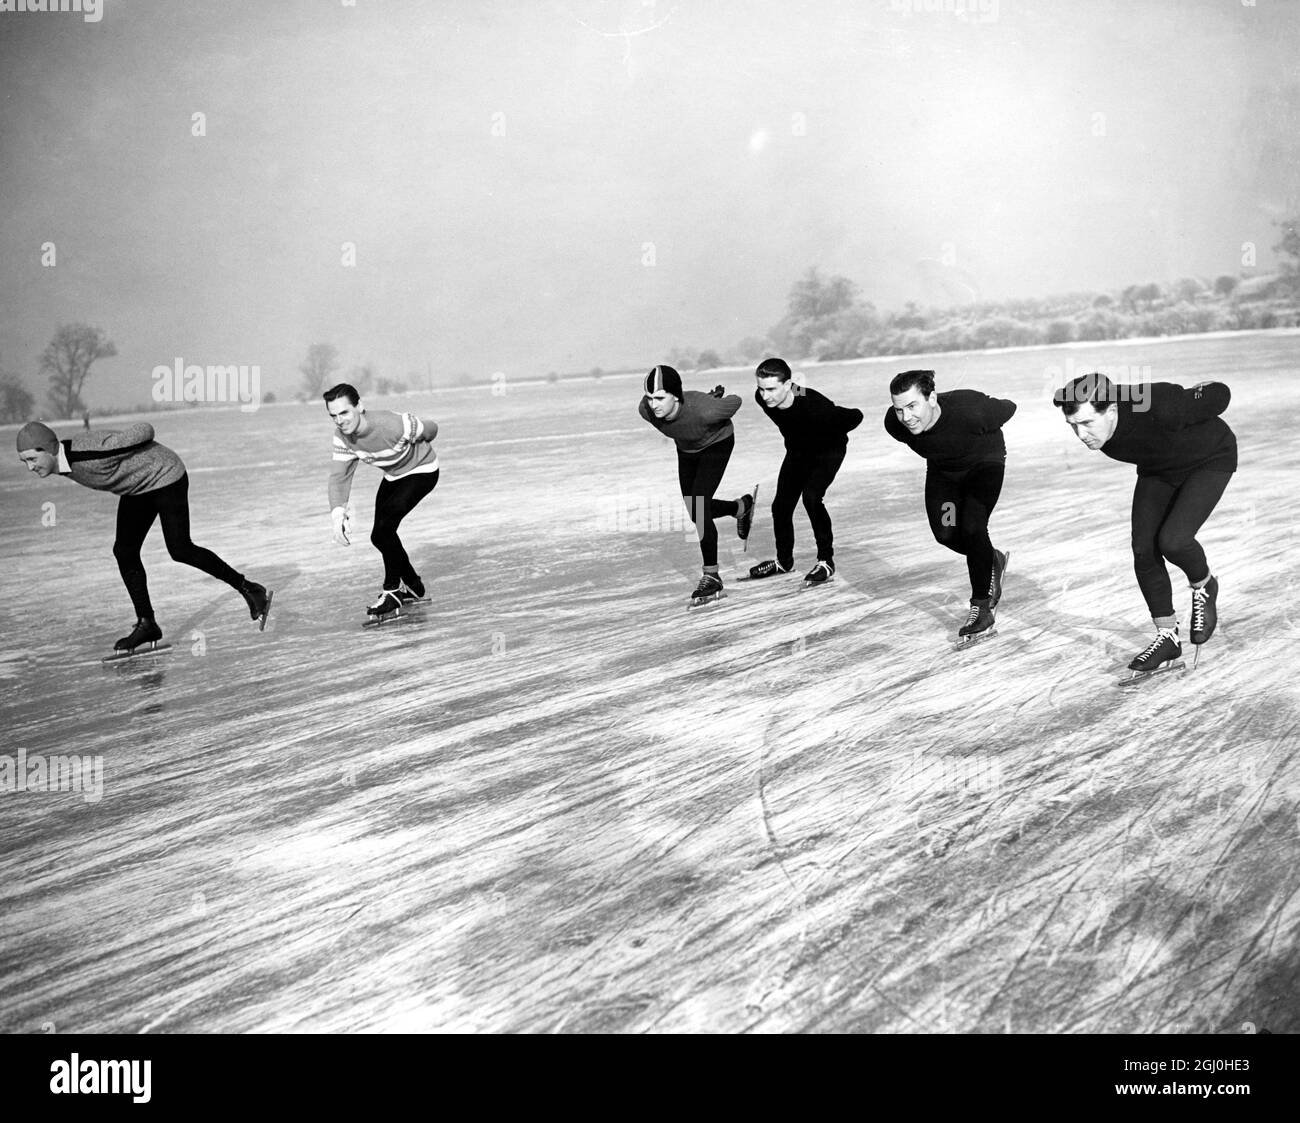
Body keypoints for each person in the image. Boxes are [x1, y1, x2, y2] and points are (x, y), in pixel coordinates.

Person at [15, 420, 271, 652]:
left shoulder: (88, 453)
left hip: (165, 475)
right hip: (137, 487)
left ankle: (250, 589)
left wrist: (124, 446)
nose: (30, 467)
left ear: (48, 449)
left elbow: (145, 429)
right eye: (24, 462)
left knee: (180, 548)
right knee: (124, 551)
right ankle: (147, 623)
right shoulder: (64, 461)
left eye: (31, 459)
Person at [1052, 372, 1235, 674]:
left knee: (1174, 541)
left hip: (1209, 458)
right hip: (1159, 469)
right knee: (1143, 549)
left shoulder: (1156, 404)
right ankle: (1167, 638)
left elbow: (1220, 395)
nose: (1081, 434)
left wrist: (1208, 389)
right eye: (1073, 426)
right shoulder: (1100, 422)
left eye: (1086, 423)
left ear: (1111, 411)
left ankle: (1205, 586)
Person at [884, 370, 1015, 639]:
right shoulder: (894, 424)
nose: (906, 417)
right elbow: (912, 427)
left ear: (932, 398)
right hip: (945, 474)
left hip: (985, 464)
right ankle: (991, 559)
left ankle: (981, 608)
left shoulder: (971, 410)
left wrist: (986, 421)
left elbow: (1008, 407)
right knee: (946, 533)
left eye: (912, 406)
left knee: (972, 527)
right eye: (900, 409)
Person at [637, 364, 754, 605]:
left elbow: (736, 400)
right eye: (650, 398)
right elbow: (668, 414)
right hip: (687, 449)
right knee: (695, 511)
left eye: (660, 398)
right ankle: (740, 507)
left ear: (676, 396)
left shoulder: (705, 412)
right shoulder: (645, 410)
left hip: (717, 443)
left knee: (700, 509)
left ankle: (711, 576)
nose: (653, 404)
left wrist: (711, 402)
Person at [324, 383, 440, 618]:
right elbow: (339, 476)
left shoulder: (393, 425)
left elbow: (431, 429)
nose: (339, 420)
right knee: (381, 535)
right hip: (394, 476)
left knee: (384, 531)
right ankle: (414, 586)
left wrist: (421, 430)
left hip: (423, 471)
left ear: (360, 406)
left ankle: (393, 590)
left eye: (344, 412)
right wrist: (337, 514)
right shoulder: (343, 438)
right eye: (333, 415)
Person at [748, 356, 863, 584]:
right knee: (780, 506)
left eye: (771, 389)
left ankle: (826, 562)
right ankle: (784, 562)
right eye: (761, 389)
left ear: (788, 385)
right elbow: (789, 409)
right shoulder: (762, 399)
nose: (765, 396)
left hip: (828, 451)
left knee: (811, 498)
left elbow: (854, 416)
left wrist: (832, 427)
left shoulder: (814, 405)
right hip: (798, 452)